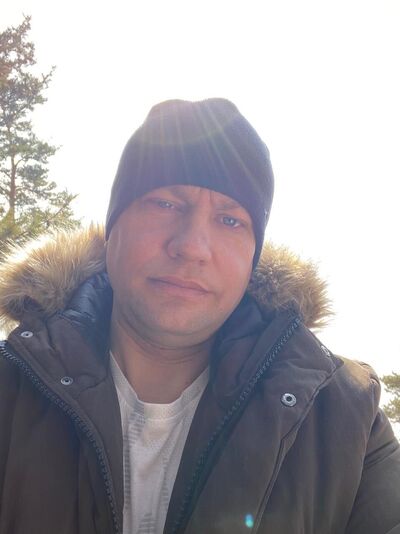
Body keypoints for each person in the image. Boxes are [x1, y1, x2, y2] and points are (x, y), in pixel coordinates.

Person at [0, 98, 399, 534]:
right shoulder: (10, 391)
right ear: (113, 227)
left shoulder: (344, 419)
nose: (192, 247)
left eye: (229, 220)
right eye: (165, 204)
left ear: (252, 257)